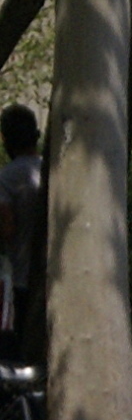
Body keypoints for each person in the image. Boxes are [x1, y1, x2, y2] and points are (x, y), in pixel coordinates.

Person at [0, 104, 40, 363]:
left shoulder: (7, 178)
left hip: (20, 280)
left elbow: (7, 228)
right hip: (54, 278)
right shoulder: (53, 172)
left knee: (17, 353)